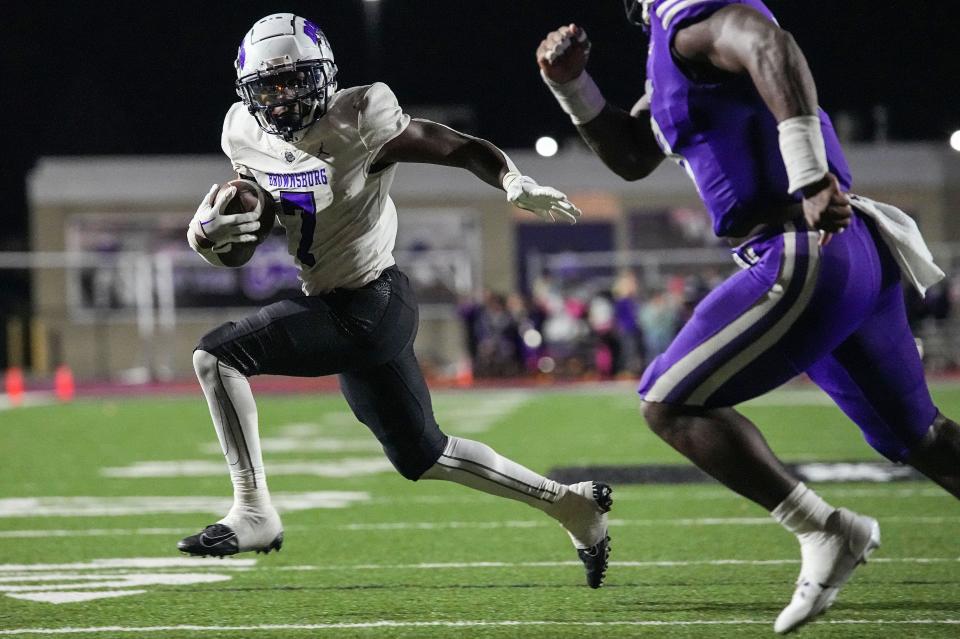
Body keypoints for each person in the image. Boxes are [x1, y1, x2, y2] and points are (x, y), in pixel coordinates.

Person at [538, 0, 960, 632]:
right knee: (921, 438)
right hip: (851, 254)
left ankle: (824, 531)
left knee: (668, 403)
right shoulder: (670, 43)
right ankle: (827, 531)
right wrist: (573, 87)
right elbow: (631, 155)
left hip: (803, 246)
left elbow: (773, 45)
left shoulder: (692, 15)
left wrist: (811, 175)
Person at [181, 12, 613, 589]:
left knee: (218, 356)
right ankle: (571, 507)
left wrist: (513, 181)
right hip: (344, 305)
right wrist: (212, 239)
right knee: (424, 455)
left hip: (372, 302)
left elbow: (453, 146)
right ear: (249, 95)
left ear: (326, 76)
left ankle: (254, 511)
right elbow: (250, 237)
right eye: (269, 89)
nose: (282, 101)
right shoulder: (244, 133)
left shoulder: (359, 119)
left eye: (294, 83)